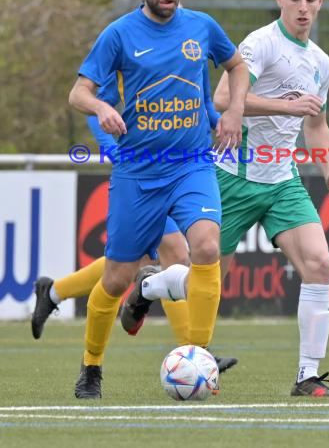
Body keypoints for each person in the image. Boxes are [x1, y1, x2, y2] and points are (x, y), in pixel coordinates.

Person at [122, 0, 329, 398]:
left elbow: (316, 124)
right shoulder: (261, 45)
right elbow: (223, 99)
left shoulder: (321, 61)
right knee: (206, 282)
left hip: (283, 181)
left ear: (321, 2)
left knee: (320, 264)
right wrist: (287, 107)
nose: (303, 7)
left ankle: (307, 376)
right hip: (232, 177)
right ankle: (150, 285)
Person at [67, 0, 249, 398]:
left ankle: (200, 356)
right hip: (139, 173)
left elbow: (237, 67)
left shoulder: (203, 27)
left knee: (206, 246)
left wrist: (232, 112)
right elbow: (78, 92)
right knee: (115, 278)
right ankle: (91, 367)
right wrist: (100, 109)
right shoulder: (119, 34)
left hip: (191, 163)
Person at [31, 68, 237, 373]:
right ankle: (194, 354)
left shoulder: (173, 57)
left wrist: (217, 123)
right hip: (141, 179)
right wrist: (122, 155)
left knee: (136, 262)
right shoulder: (125, 56)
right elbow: (95, 110)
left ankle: (53, 292)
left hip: (177, 172)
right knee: (169, 257)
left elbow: (196, 104)